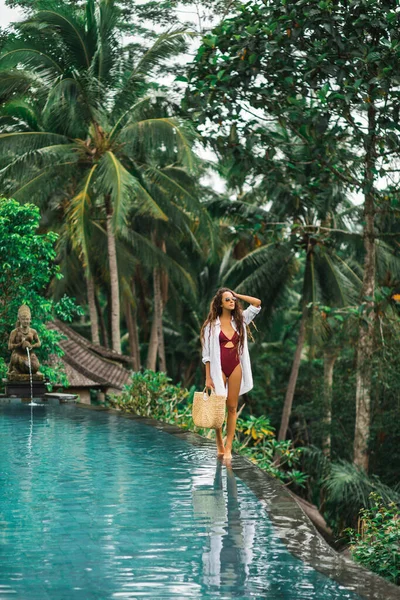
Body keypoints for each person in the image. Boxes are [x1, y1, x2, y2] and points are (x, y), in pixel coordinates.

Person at [201, 289, 261, 459]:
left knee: (232, 407)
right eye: (227, 299)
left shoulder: (240, 320)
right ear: (220, 303)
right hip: (218, 368)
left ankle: (228, 448)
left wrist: (238, 295)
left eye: (233, 299)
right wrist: (208, 377)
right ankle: (219, 442)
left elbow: (257, 303)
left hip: (235, 366)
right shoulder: (211, 325)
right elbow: (206, 355)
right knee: (219, 406)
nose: (231, 301)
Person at [8, 305, 42, 376]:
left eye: (27, 319)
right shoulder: (15, 332)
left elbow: (39, 343)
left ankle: (21, 369)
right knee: (19, 360)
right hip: (18, 354)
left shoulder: (33, 331)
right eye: (23, 319)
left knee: (36, 366)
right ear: (19, 319)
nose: (25, 321)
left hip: (29, 354)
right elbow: (10, 346)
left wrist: (32, 346)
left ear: (30, 319)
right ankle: (16, 369)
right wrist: (20, 344)